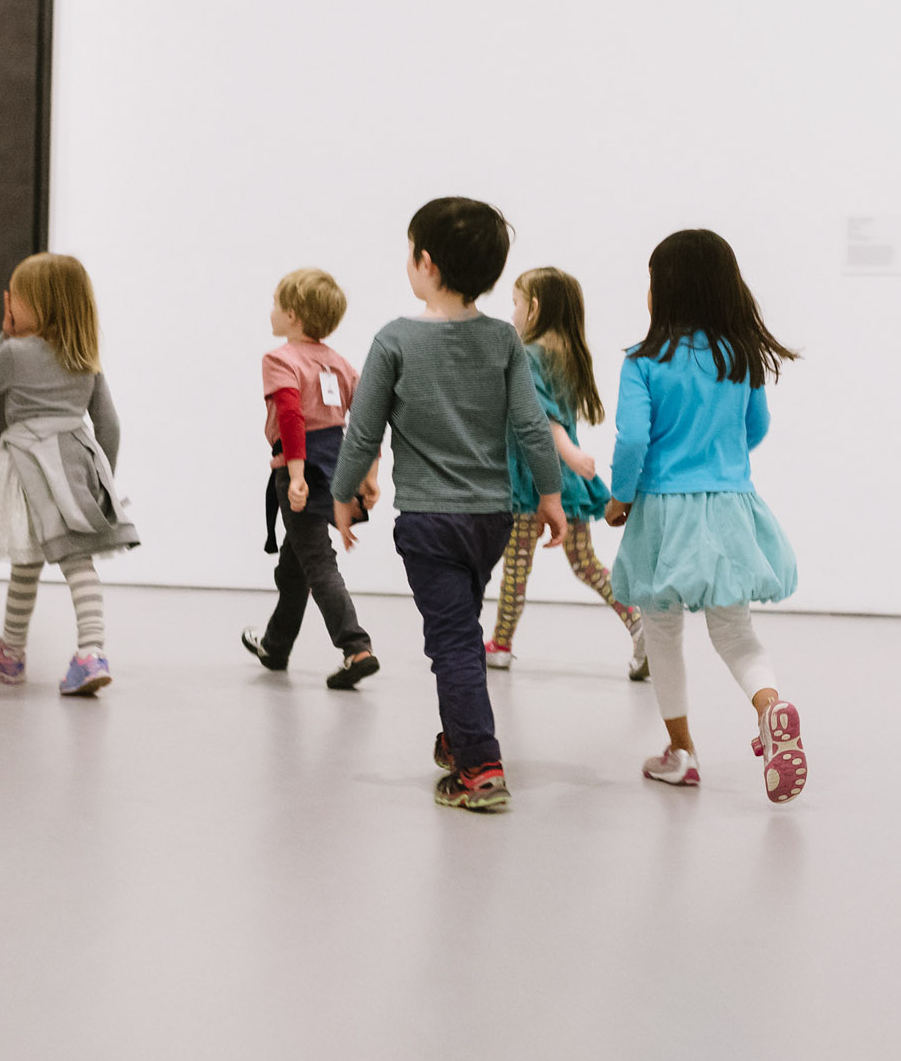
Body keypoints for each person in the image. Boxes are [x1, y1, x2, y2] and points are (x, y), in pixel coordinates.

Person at [330, 198, 564, 813]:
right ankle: (462, 736)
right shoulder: (503, 339)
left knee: (453, 641)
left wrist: (343, 495)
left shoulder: (394, 341)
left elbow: (362, 434)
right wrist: (550, 496)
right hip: (492, 521)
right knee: (460, 629)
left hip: (430, 522)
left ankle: (480, 767)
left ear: (425, 263)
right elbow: (532, 428)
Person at [607, 229, 805, 803]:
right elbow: (757, 427)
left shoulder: (642, 363)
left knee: (662, 629)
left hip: (665, 514)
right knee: (735, 632)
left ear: (663, 291)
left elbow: (632, 440)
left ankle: (682, 754)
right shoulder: (740, 356)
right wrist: (721, 459)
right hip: (728, 510)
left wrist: (622, 496)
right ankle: (771, 707)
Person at [0, 253, 139, 697]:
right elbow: (110, 425)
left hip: (29, 466)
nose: (9, 305)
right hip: (74, 464)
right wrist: (103, 482)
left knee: (26, 559)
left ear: (36, 305)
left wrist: (1, 334)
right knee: (75, 558)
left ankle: (14, 652)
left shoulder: (15, 351)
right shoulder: (84, 357)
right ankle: (90, 650)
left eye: (15, 299)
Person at [485, 267, 647, 679]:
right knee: (586, 563)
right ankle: (638, 622)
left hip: (531, 481)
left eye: (517, 303)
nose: (514, 312)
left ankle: (501, 644)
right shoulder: (566, 353)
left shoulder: (528, 354)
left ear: (535, 307)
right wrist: (572, 461)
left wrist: (571, 453)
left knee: (517, 566)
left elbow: (541, 417)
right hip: (566, 483)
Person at [241, 267, 382, 689]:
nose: (271, 311)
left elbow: (290, 417)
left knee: (317, 561)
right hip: (337, 465)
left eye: (276, 304)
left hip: (300, 467)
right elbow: (370, 420)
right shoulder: (339, 364)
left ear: (294, 315)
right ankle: (276, 645)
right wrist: (369, 474)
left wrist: (296, 475)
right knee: (294, 565)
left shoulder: (279, 359)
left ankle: (356, 647)